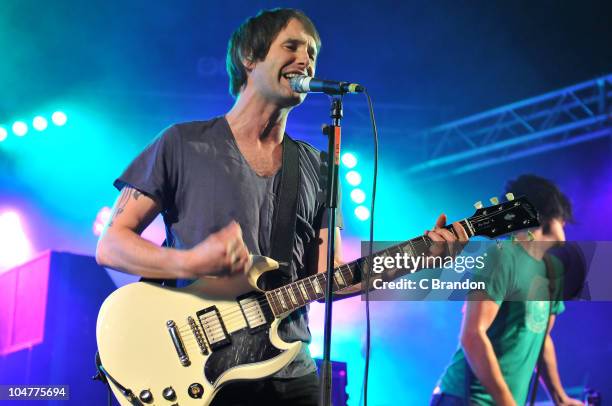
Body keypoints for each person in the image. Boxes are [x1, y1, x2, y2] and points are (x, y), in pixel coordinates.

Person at [96, 8, 465, 405]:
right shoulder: (183, 144)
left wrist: (418, 258)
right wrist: (191, 263)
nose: (305, 60)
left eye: (312, 53)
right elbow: (111, 244)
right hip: (201, 367)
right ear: (249, 58)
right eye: (291, 46)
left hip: (289, 367)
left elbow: (330, 277)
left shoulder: (319, 166)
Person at [432, 174, 583, 406]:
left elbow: (542, 340)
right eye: (561, 214)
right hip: (464, 399)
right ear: (545, 211)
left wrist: (560, 398)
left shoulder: (552, 272)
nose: (565, 222)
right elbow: (472, 335)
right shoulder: (501, 255)